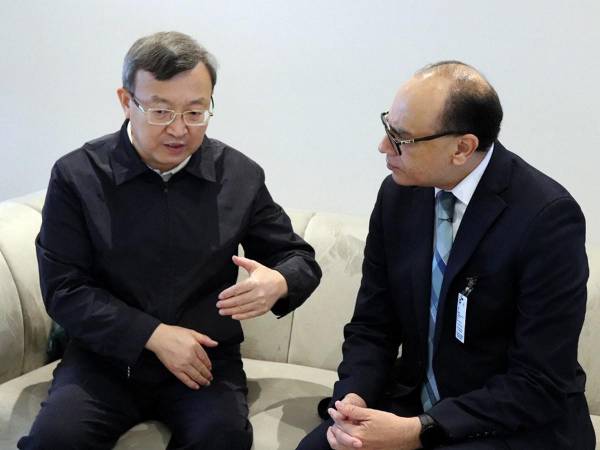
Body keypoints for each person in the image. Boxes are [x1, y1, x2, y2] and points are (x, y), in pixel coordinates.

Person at [19, 31, 321, 450]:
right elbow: (64, 289)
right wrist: (154, 335)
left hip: (203, 362)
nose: (180, 129)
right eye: (161, 111)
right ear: (126, 101)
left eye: (196, 112)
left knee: (222, 438)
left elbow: (297, 257)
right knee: (55, 441)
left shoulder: (238, 175)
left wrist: (279, 281)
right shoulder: (77, 175)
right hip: (103, 362)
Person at [298, 61, 595, 449]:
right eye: (387, 126)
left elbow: (538, 380)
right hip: (411, 400)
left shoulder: (546, 218)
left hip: (509, 419)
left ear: (462, 148)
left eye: (401, 138)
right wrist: (356, 396)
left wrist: (420, 430)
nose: (384, 147)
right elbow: (373, 325)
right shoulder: (398, 196)